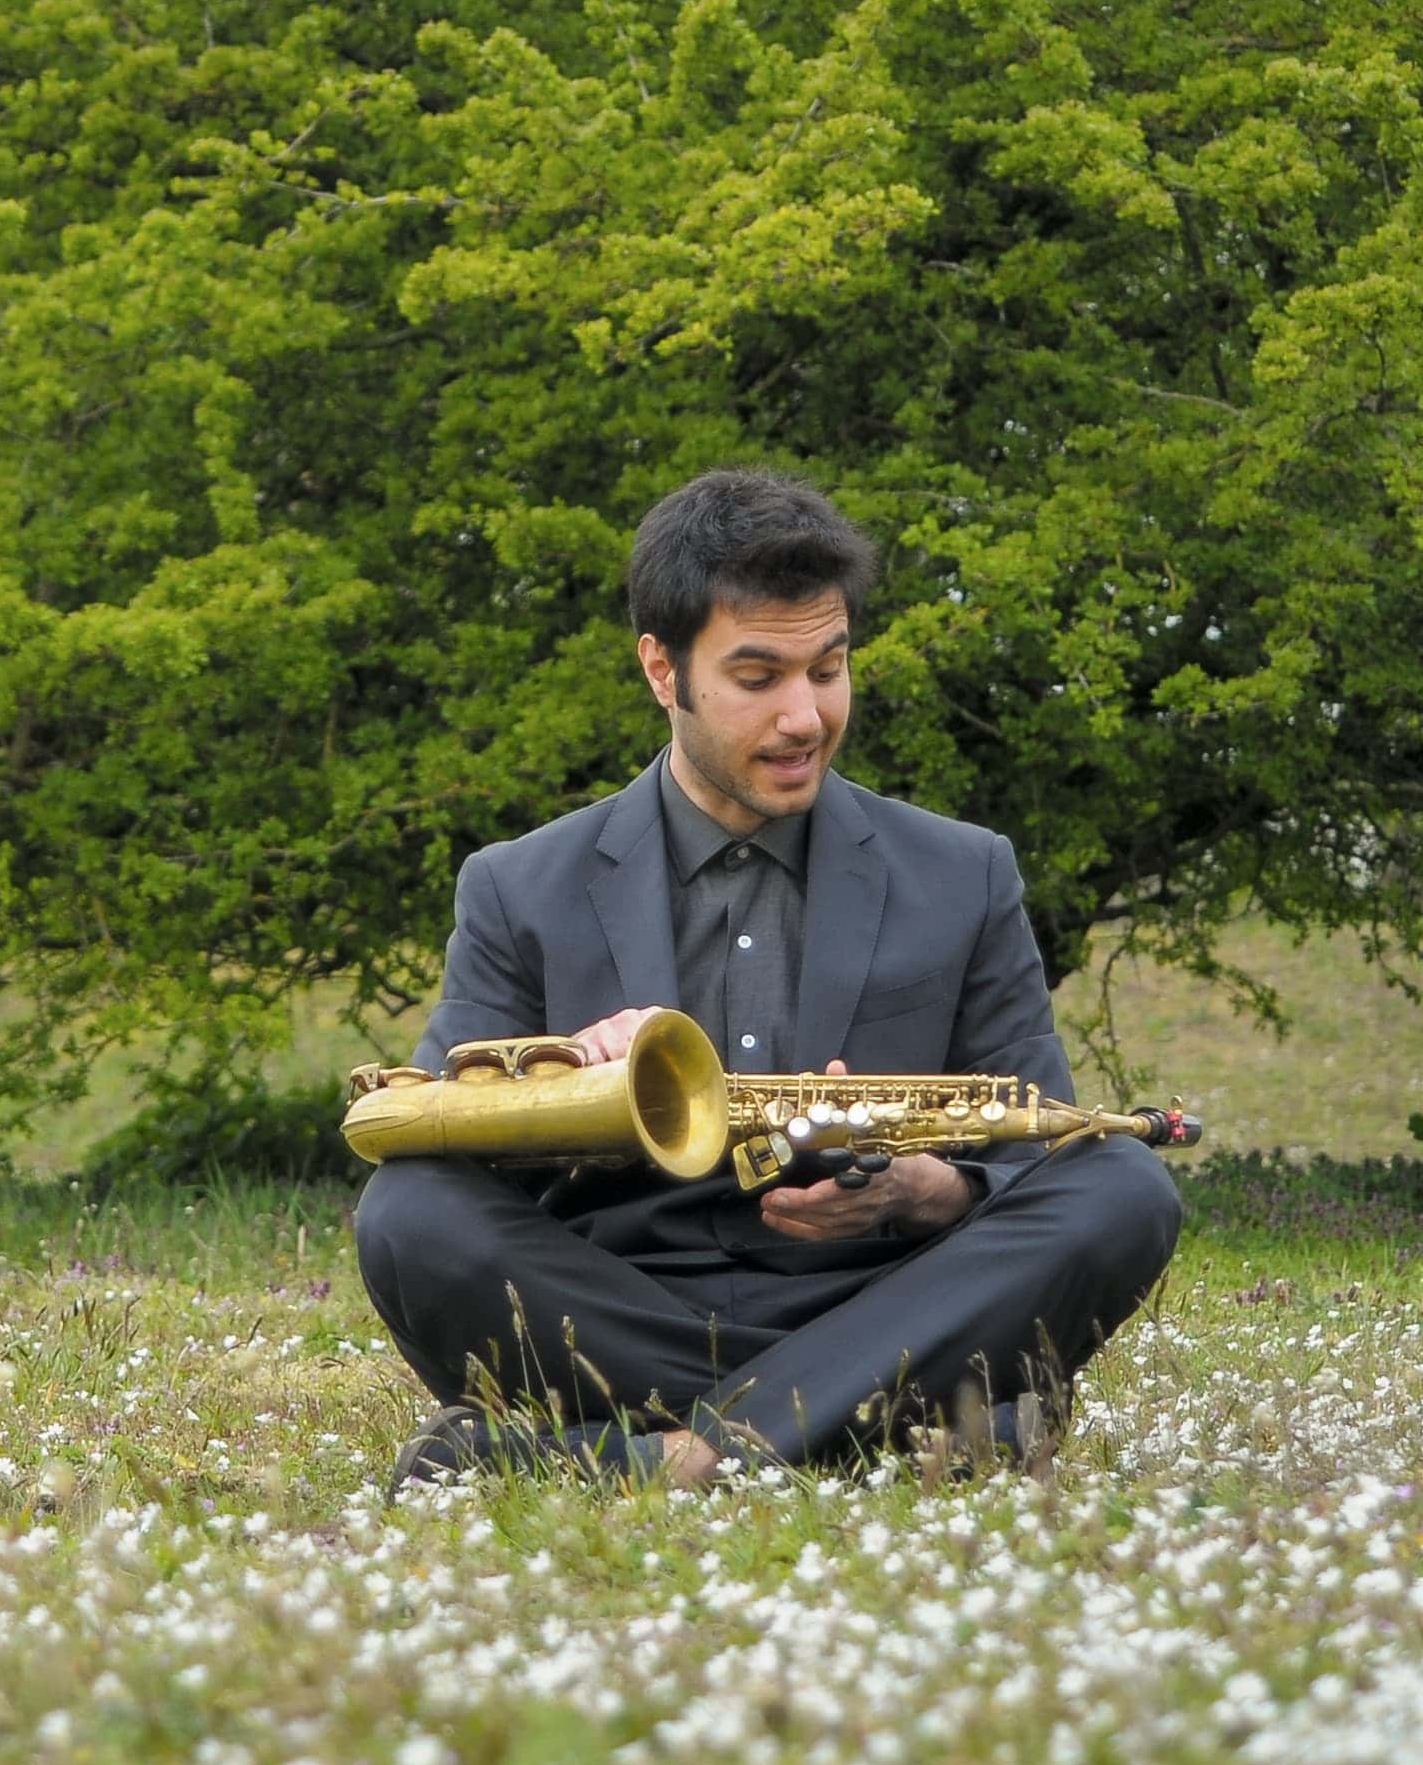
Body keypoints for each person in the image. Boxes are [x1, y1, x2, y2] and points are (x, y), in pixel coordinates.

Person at [353, 468, 1184, 1490]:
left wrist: (924, 1190)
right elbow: (432, 1136)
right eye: (758, 679)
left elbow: (1037, 1141)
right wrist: (565, 1085)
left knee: (1122, 1184)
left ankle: (673, 1458)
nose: (805, 716)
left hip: (876, 1303)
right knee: (407, 1213)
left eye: (827, 669)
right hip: (624, 1307)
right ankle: (866, 1434)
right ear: (662, 669)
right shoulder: (516, 884)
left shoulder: (965, 872)